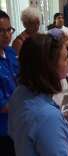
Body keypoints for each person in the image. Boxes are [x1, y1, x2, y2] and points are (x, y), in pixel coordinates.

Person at [0, 10, 18, 156]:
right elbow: (3, 106)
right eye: (0, 31)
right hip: (3, 131)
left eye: (8, 30)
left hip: (17, 123)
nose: (7, 35)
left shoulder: (10, 52)